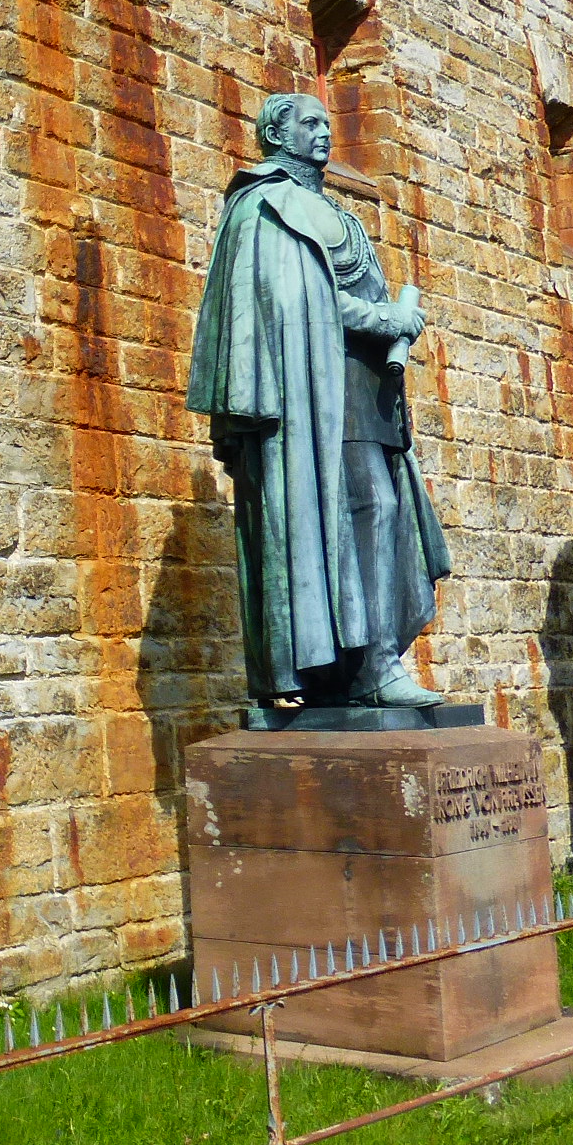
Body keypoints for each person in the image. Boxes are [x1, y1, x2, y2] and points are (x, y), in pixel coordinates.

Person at [187, 93, 453, 707]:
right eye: (309, 124)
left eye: (327, 123)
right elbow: (297, 302)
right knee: (372, 505)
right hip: (313, 394)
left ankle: (355, 669)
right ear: (276, 136)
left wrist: (394, 320)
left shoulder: (336, 213)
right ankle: (373, 667)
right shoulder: (267, 206)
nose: (324, 133)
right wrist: (384, 319)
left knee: (383, 512)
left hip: (366, 391)